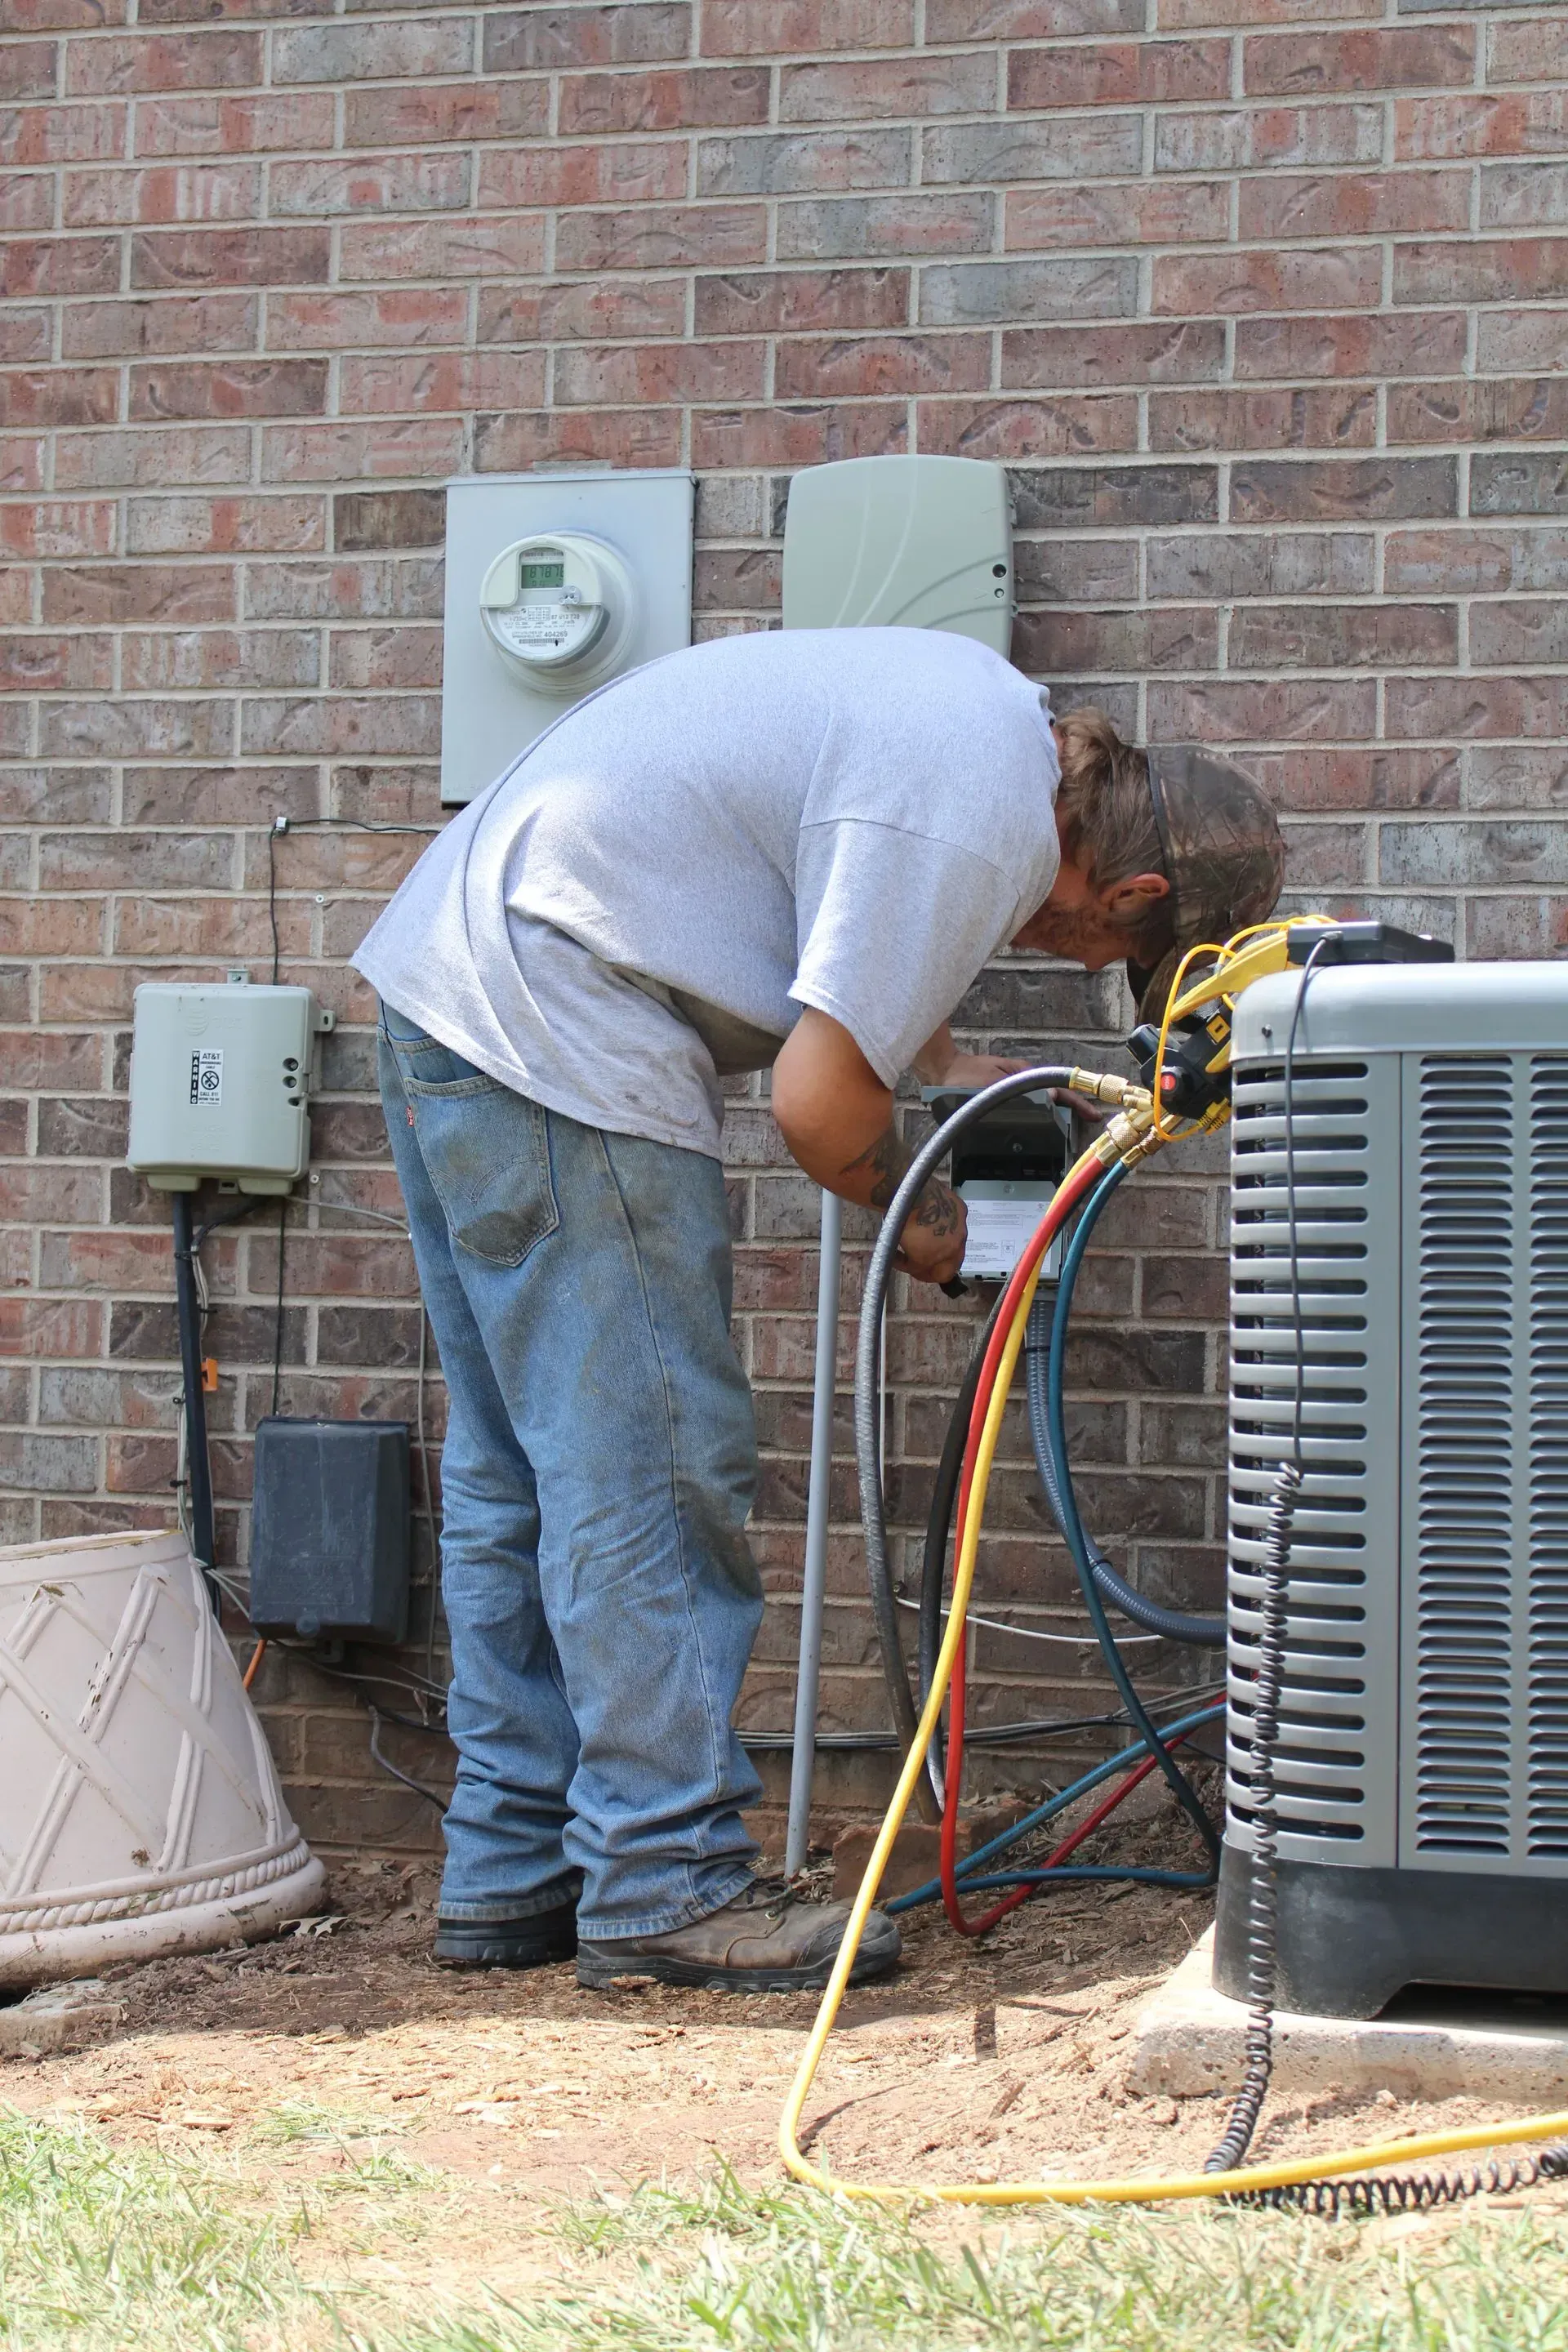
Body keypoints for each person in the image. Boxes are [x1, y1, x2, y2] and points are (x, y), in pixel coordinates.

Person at [354, 626, 1282, 1993]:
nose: (1070, 953)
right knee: (654, 1465)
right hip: (559, 1018)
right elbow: (819, 1110)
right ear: (1131, 885)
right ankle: (663, 1880)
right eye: (1113, 951)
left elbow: (857, 963)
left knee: (523, 1469)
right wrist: (931, 1229)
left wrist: (968, 1071)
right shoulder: (983, 821)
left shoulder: (985, 730)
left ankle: (515, 1865)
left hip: (450, 987)